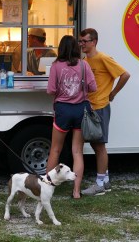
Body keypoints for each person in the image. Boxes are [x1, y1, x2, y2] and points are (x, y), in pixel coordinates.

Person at [79, 28, 130, 196]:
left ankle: (99, 184)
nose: (82, 44)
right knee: (95, 144)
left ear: (94, 42)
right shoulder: (85, 60)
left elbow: (125, 75)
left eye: (85, 41)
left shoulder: (103, 58)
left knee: (100, 146)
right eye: (81, 42)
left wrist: (113, 93)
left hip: (100, 107)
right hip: (90, 106)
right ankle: (105, 180)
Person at [46, 35, 97, 199]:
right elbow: (93, 87)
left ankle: (47, 187)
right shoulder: (84, 65)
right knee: (77, 151)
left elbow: (51, 90)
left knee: (55, 150)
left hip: (63, 110)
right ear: (76, 48)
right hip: (81, 110)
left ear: (61, 49)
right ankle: (76, 191)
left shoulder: (55, 66)